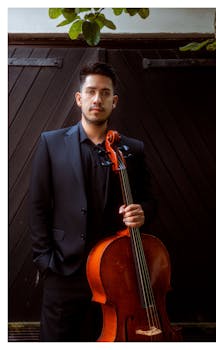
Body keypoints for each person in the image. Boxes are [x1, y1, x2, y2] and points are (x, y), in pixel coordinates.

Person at [29, 62, 156, 341]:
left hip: (115, 274)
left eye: (104, 93)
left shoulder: (132, 149)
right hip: (63, 270)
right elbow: (37, 206)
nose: (97, 99)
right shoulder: (51, 143)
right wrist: (45, 261)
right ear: (80, 98)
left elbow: (149, 201)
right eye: (91, 92)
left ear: (114, 101)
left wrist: (142, 212)